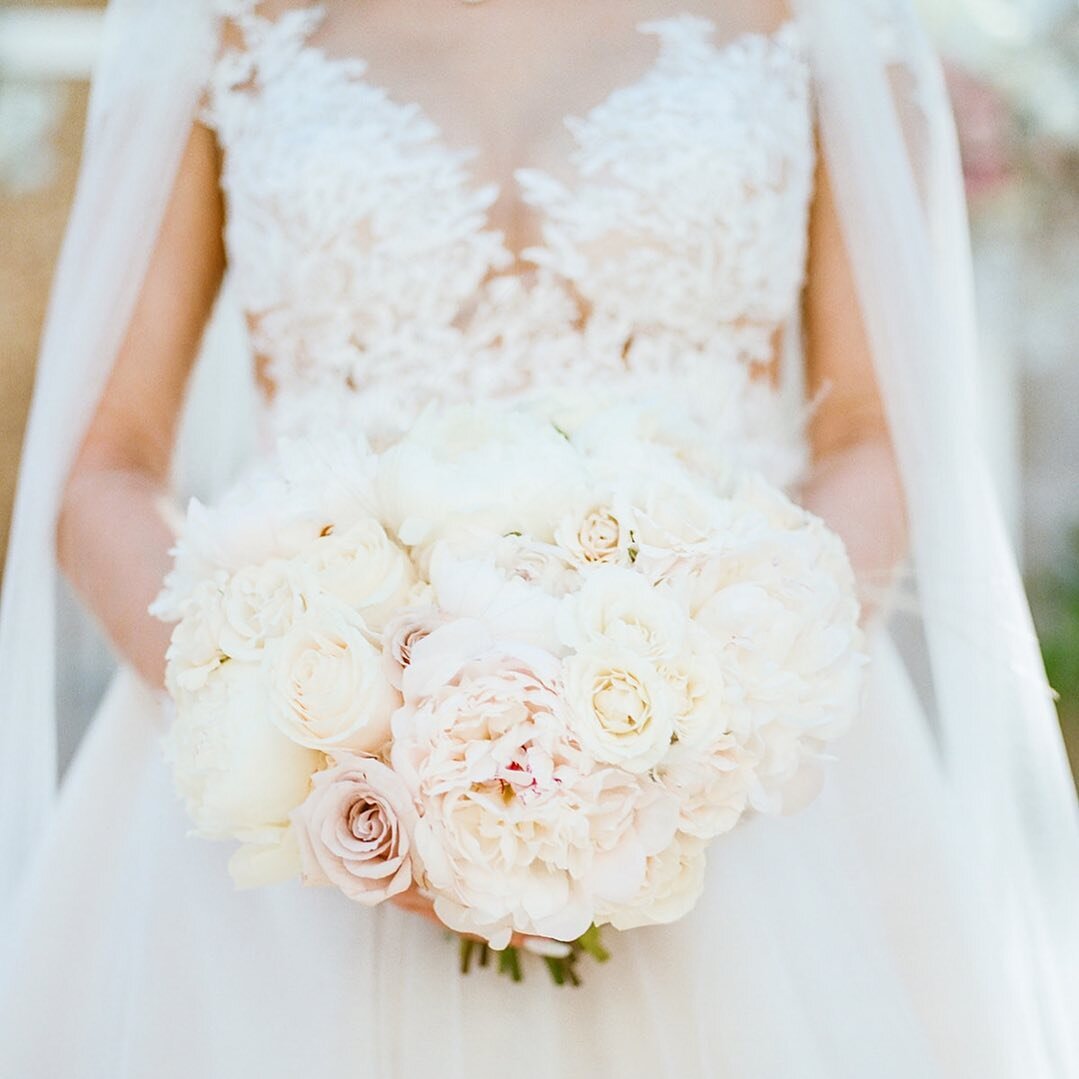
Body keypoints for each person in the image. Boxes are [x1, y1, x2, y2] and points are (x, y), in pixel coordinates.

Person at [1, 1, 1076, 1075]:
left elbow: (874, 437)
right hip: (295, 844)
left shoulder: (818, 20)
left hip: (735, 807)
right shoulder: (228, 22)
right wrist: (306, 736)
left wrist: (717, 717)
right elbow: (103, 462)